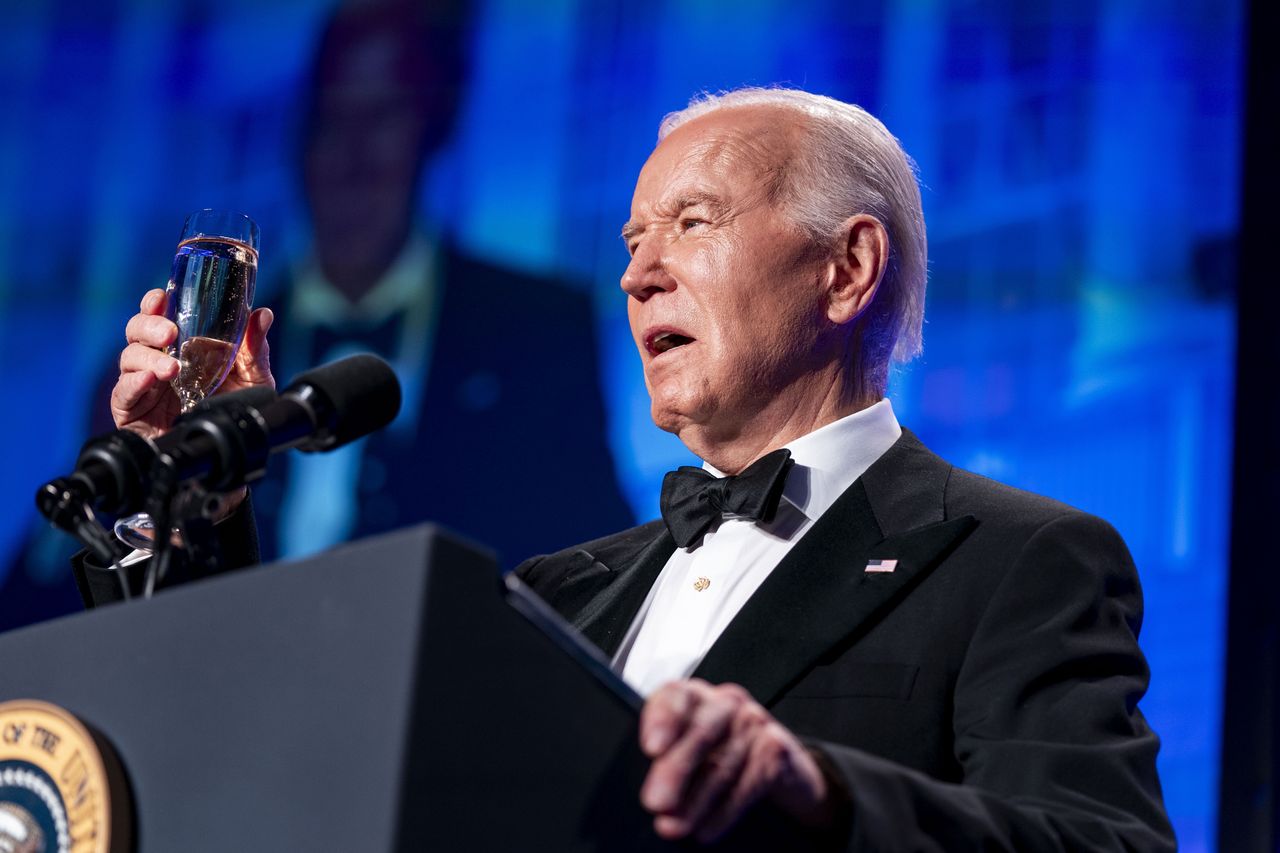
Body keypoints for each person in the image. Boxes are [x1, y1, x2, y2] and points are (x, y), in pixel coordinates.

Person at [89, 87, 1174, 850]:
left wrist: (817, 791)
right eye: (628, 241)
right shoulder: (556, 595)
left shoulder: (1019, 559)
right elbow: (273, 765)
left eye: (691, 223)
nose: (638, 274)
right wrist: (199, 491)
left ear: (846, 269)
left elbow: (1097, 841)